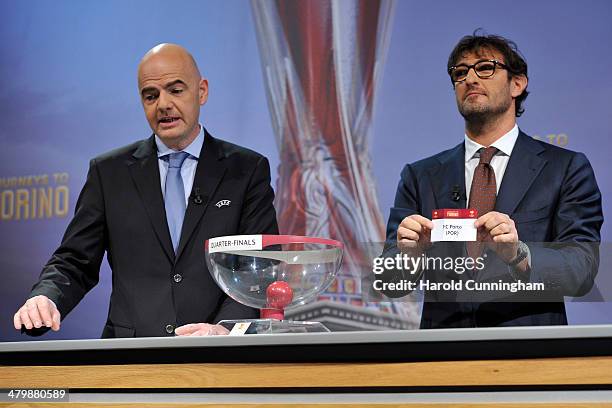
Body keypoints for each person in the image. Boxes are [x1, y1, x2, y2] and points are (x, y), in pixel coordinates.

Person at [13, 43, 278, 337]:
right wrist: (45, 297)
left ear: (201, 91)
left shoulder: (246, 170)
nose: (163, 104)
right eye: (150, 95)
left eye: (176, 90)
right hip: (130, 359)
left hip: (216, 359)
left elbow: (259, 268)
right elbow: (75, 260)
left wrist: (225, 329)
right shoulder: (109, 173)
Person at [384, 32, 603, 328]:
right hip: (441, 359)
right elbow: (389, 282)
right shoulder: (420, 175)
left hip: (530, 356)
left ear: (517, 83)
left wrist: (519, 254)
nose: (470, 79)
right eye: (460, 73)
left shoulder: (564, 168)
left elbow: (581, 270)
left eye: (485, 68)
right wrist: (409, 257)